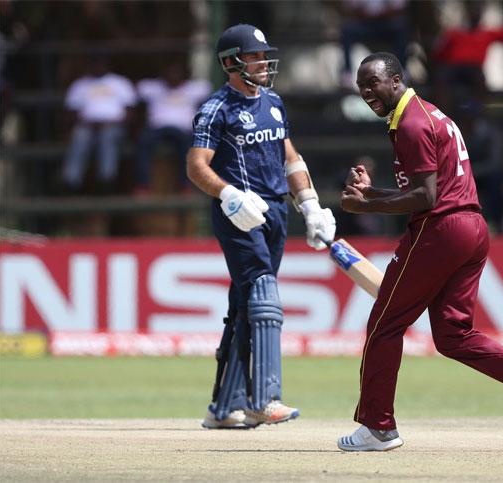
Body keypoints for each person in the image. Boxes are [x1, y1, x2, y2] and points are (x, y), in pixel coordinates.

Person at [336, 52, 503, 451]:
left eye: (372, 83)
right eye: (360, 86)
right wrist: (373, 193)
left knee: (383, 325)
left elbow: (426, 197)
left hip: (439, 230)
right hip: (471, 228)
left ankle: (377, 426)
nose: (366, 92)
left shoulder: (410, 124)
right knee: (452, 336)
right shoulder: (426, 114)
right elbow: (429, 188)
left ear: (395, 79)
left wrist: (365, 206)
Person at [186, 24, 336, 429]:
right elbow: (196, 166)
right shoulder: (218, 107)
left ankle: (224, 406)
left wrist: (309, 205)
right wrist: (229, 195)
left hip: (274, 212)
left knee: (243, 307)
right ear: (232, 62)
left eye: (263, 56)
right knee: (263, 295)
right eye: (254, 56)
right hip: (239, 214)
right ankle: (264, 399)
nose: (263, 62)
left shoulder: (272, 101)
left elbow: (290, 156)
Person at [61, 54, 137, 193]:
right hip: (86, 125)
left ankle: (106, 180)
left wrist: (113, 122)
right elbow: (70, 113)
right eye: (95, 63)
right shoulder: (80, 85)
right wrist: (86, 122)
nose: (98, 66)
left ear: (108, 65)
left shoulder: (120, 83)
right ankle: (71, 181)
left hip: (114, 125)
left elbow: (130, 112)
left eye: (101, 63)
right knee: (79, 136)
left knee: (107, 136)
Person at [134, 61, 211, 194]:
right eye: (169, 73)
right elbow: (135, 91)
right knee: (143, 142)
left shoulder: (194, 89)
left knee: (188, 147)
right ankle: (143, 186)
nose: (173, 76)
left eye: (176, 73)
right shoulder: (153, 88)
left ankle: (185, 186)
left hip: (183, 130)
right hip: (157, 128)